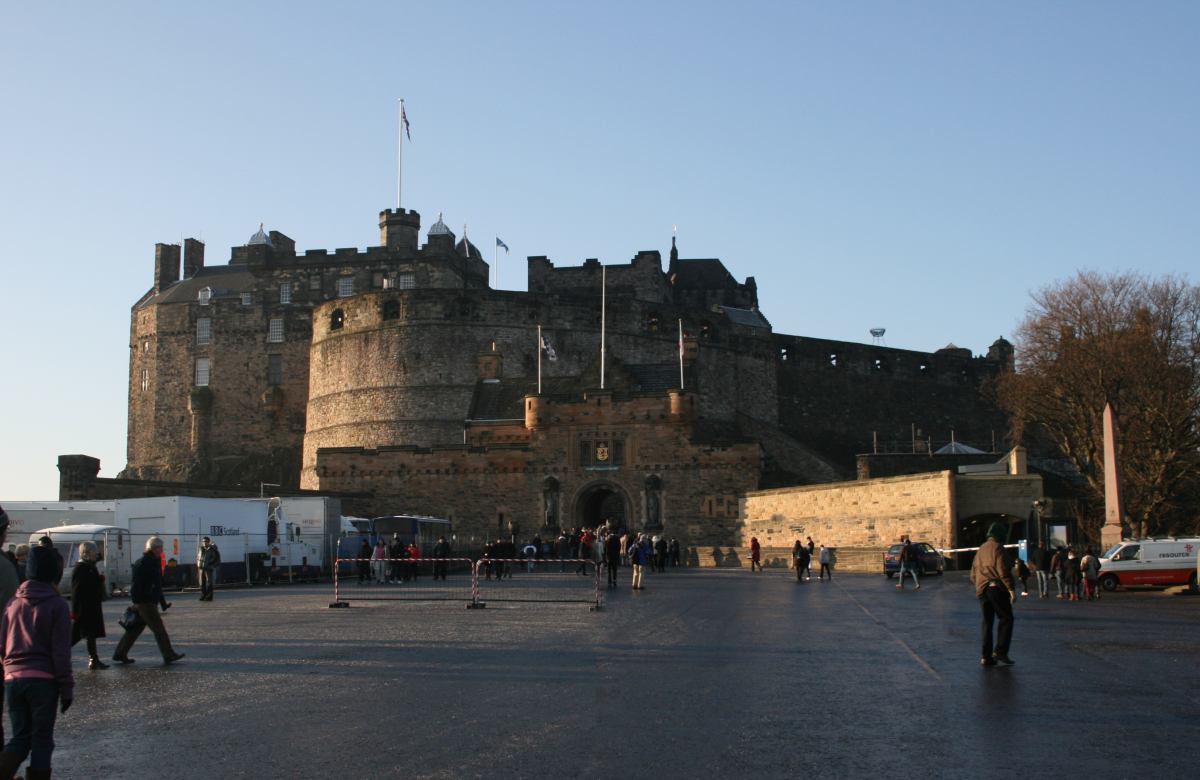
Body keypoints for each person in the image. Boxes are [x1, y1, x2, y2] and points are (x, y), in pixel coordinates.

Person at [0, 545, 75, 780]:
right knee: (42, 740)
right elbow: (60, 652)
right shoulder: (58, 605)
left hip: (13, 679)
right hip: (43, 680)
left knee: (20, 738)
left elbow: (2, 645)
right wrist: (66, 688)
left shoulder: (13, 603)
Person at [112, 536, 185, 665]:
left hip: (146, 601)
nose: (162, 550)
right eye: (160, 548)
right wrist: (137, 602)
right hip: (146, 603)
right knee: (159, 629)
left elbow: (156, 585)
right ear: (154, 548)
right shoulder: (146, 563)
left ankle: (120, 653)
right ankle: (168, 654)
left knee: (134, 629)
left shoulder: (150, 561)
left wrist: (162, 603)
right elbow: (137, 585)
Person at [971, 523, 1016, 666]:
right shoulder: (998, 548)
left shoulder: (981, 549)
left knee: (987, 622)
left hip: (982, 590)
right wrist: (1011, 589)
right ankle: (1000, 651)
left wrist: (979, 585)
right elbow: (1003, 570)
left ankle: (986, 656)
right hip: (995, 587)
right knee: (1006, 618)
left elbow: (973, 574)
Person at [70, 542, 108, 670]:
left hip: (92, 606)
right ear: (87, 553)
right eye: (94, 551)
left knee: (89, 635)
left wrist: (100, 580)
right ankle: (56, 654)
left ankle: (94, 659)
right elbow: (76, 591)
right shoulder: (81, 568)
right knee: (77, 635)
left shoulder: (90, 566)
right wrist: (74, 611)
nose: (96, 554)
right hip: (84, 608)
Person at [196, 536, 220, 601]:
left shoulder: (212, 549)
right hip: (201, 568)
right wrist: (198, 565)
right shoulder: (201, 549)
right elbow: (198, 557)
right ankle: (203, 595)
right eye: (203, 541)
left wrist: (211, 565)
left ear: (208, 542)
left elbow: (216, 559)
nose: (204, 543)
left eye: (206, 541)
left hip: (208, 568)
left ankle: (209, 596)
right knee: (202, 583)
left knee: (209, 583)